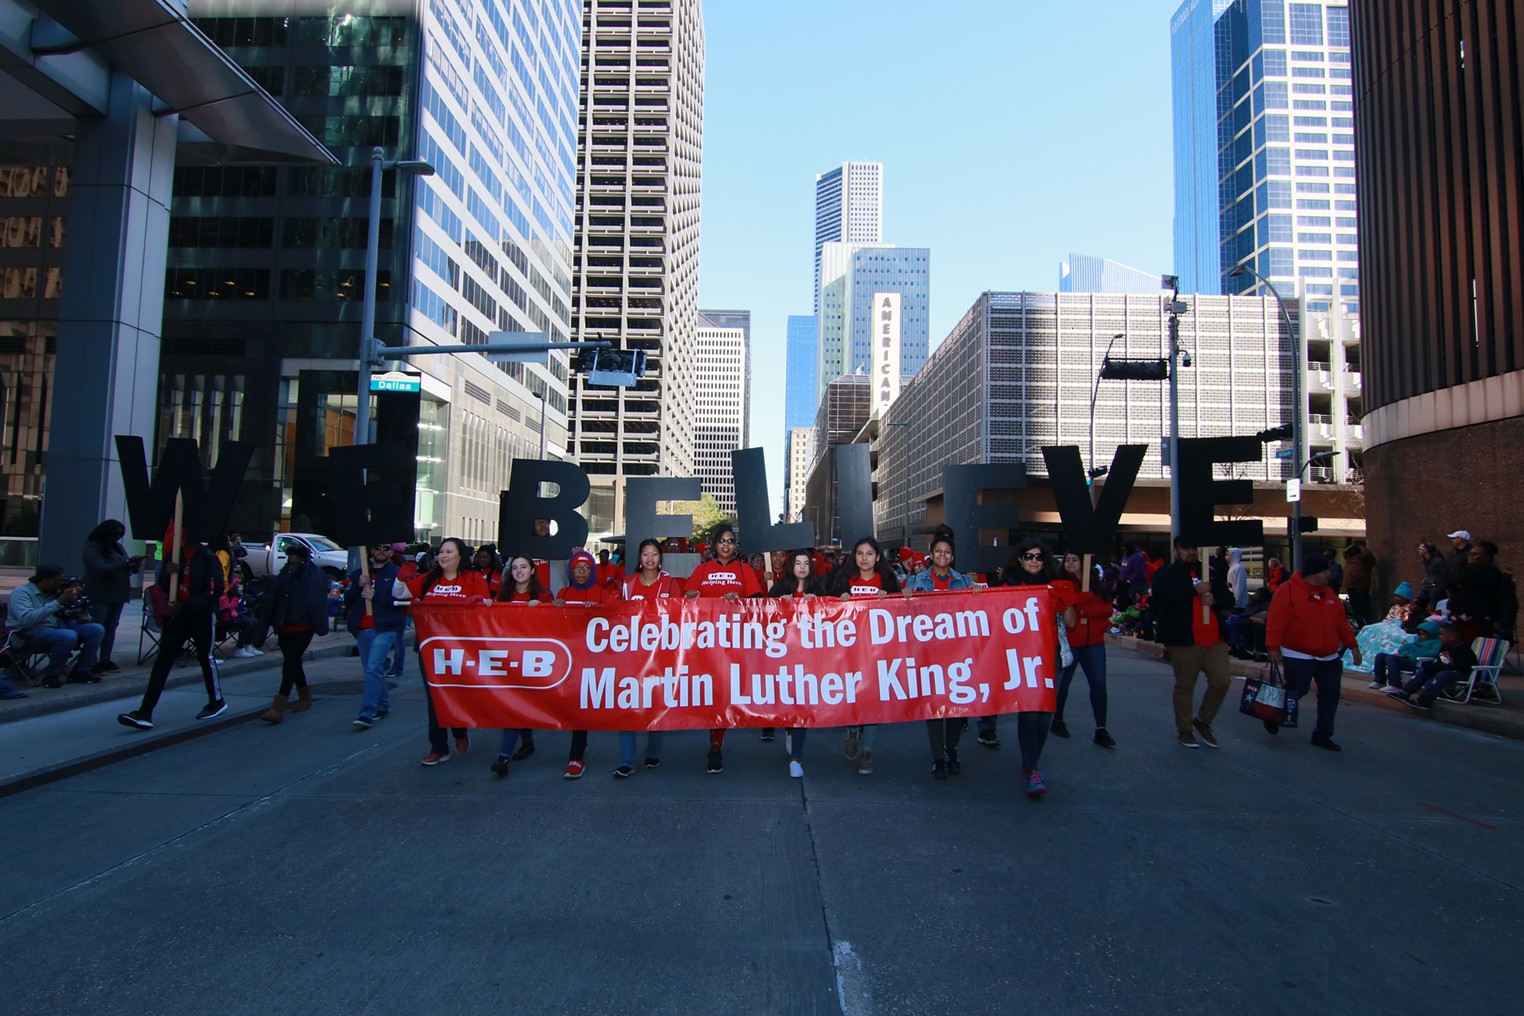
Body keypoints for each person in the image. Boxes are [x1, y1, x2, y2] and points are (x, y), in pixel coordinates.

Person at [393, 537, 491, 765]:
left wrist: (477, 602)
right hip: (430, 648)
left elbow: (487, 607)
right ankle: (438, 747)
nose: (444, 556)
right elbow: (400, 594)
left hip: (461, 649)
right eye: (442, 552)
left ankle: (459, 730)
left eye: (449, 551)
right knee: (434, 697)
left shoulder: (473, 578)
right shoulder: (430, 579)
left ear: (460, 556)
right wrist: (401, 576)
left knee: (457, 694)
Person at [117, 537, 225, 729]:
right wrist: (168, 574)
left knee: (205, 658)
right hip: (177, 616)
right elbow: (164, 586)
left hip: (200, 616)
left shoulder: (208, 558)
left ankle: (216, 701)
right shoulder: (173, 555)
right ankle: (145, 711)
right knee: (163, 661)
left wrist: (185, 605)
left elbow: (214, 591)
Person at [684, 523, 764, 773]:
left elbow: (757, 605)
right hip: (707, 642)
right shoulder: (702, 569)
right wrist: (694, 596)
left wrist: (737, 601)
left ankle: (718, 742)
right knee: (712, 690)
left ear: (735, 545)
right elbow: (687, 600)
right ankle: (714, 741)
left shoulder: (744, 569)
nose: (726, 545)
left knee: (727, 692)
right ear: (714, 544)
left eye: (730, 541)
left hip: (736, 642)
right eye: (721, 541)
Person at [996, 539, 1073, 796]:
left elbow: (1069, 617)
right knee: (1029, 713)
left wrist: (1067, 595)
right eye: (1028, 556)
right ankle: (1033, 767)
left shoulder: (1052, 585)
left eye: (1038, 557)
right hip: (1021, 658)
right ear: (1020, 559)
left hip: (1050, 656)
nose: (1033, 561)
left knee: (1044, 717)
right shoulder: (1008, 584)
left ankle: (1030, 762)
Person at [1265, 554, 1361, 750]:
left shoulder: (1329, 593)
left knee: (1330, 695)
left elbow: (1340, 623)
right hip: (1298, 653)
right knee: (1297, 690)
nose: (1329, 574)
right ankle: (1274, 715)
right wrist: (1273, 647)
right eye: (1325, 571)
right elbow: (1276, 621)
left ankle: (1322, 735)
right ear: (1313, 574)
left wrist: (1353, 646)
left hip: (1329, 656)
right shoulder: (1288, 590)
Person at [903, 535, 980, 779]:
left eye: (947, 552)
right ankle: (938, 757)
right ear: (931, 554)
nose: (943, 555)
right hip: (929, 654)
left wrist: (978, 593)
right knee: (934, 708)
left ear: (953, 556)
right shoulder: (917, 580)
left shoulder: (965, 581)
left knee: (956, 707)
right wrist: (905, 594)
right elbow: (902, 611)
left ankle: (951, 749)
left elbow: (979, 610)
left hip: (958, 655)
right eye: (938, 551)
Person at [611, 539, 684, 777]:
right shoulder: (627, 584)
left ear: (660, 558)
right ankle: (626, 761)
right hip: (631, 656)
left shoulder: (670, 583)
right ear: (639, 558)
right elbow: (616, 616)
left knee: (655, 703)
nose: (650, 558)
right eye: (645, 554)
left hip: (660, 656)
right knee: (627, 705)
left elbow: (678, 617)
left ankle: (653, 752)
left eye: (654, 554)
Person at [1152, 537, 1233, 750]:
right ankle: (1185, 729)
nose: (1191, 552)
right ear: (1176, 550)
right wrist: (1192, 592)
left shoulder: (1210, 573)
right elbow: (1161, 596)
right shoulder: (1167, 574)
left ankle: (1203, 720)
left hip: (1214, 640)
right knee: (1186, 686)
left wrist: (1214, 600)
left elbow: (1229, 600)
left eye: (1194, 548)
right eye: (1186, 548)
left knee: (1222, 681)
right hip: (1184, 641)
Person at [831, 536, 900, 776]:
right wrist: (839, 602)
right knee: (854, 694)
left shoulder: (888, 580)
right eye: (860, 553)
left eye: (869, 554)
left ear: (877, 557)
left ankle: (867, 750)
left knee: (873, 699)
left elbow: (901, 611)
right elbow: (828, 610)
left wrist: (890, 600)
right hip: (850, 650)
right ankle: (852, 730)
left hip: (878, 650)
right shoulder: (843, 579)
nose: (864, 558)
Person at [489, 554, 555, 776]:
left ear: (532, 571)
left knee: (517, 704)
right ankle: (519, 746)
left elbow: (555, 626)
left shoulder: (544, 595)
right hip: (508, 658)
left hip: (533, 660)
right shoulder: (503, 595)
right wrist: (489, 606)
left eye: (524, 567)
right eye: (515, 567)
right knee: (515, 705)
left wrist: (544, 607)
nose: (519, 571)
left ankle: (504, 755)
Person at [553, 549, 617, 778]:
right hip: (568, 660)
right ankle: (576, 752)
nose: (581, 572)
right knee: (574, 707)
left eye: (586, 568)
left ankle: (577, 755)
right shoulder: (563, 592)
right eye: (577, 568)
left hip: (592, 661)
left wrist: (602, 609)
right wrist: (556, 606)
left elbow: (615, 617)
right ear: (571, 570)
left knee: (584, 707)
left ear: (593, 571)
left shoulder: (600, 593)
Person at [259, 543, 330, 724]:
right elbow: (275, 598)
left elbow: (316, 603)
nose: (292, 565)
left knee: (289, 663)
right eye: (290, 562)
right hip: (285, 625)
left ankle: (278, 705)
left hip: (303, 626)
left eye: (295, 563)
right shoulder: (286, 575)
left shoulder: (312, 577)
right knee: (293, 662)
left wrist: (320, 625)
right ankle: (305, 696)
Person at [769, 549, 825, 777]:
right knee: (788, 702)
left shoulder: (818, 589)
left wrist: (820, 603)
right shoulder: (780, 588)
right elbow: (760, 613)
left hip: (809, 660)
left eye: (806, 563)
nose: (802, 567)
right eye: (798, 563)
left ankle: (796, 759)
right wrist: (777, 604)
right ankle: (789, 732)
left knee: (801, 705)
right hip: (782, 659)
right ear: (791, 566)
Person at [1054, 552, 1117, 749]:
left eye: (1074, 559)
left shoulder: (1096, 585)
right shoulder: (1062, 584)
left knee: (1099, 684)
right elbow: (1063, 608)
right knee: (1062, 684)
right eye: (1067, 560)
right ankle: (1057, 720)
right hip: (1071, 642)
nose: (1070, 563)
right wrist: (1083, 601)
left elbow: (1107, 610)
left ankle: (1101, 728)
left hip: (1094, 643)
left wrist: (1086, 606)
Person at [8, 564, 105, 687]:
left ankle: (81, 671)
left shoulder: (54, 592)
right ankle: (51, 675)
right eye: (58, 580)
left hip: (57, 627)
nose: (62, 583)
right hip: (28, 633)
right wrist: (57, 602)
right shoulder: (22, 593)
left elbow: (70, 610)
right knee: (68, 636)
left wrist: (85, 617)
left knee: (96, 629)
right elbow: (26, 620)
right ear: (46, 580)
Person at [344, 543, 405, 729]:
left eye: (386, 548)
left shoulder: (396, 574)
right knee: (372, 670)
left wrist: (375, 595)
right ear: (371, 551)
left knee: (372, 668)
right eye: (377, 547)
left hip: (384, 628)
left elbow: (400, 602)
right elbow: (348, 599)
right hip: (362, 628)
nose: (381, 551)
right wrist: (358, 586)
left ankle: (366, 712)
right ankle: (383, 705)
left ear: (391, 552)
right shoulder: (360, 573)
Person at [81, 519, 143, 674]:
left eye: (121, 535)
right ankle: (91, 660)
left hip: (118, 592)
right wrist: (126, 562)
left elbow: (125, 566)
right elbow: (99, 568)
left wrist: (133, 566)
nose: (118, 537)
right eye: (115, 534)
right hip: (100, 593)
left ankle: (105, 659)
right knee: (98, 626)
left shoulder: (118, 548)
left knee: (111, 627)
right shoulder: (93, 548)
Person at [1387, 622, 1478, 710]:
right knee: (1425, 670)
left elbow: (1460, 666)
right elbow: (1445, 662)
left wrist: (1438, 668)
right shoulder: (1445, 648)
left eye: (1442, 635)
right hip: (1451, 670)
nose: (1439, 637)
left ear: (1452, 637)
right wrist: (1432, 667)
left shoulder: (1464, 650)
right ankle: (1405, 692)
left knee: (1442, 675)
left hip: (1465, 673)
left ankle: (1424, 701)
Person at [1447, 540, 1505, 640]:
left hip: (1477, 619)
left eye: (1475, 554)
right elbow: (1447, 582)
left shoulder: (1490, 571)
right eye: (1469, 554)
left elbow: (1463, 580)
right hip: (1459, 618)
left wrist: (1460, 582)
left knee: (1473, 646)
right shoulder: (1465, 569)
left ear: (1487, 556)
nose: (1470, 556)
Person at [1368, 620, 1443, 691]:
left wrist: (1415, 650)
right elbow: (1402, 648)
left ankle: (1395, 684)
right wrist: (1408, 652)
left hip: (1417, 663)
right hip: (1407, 659)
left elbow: (1433, 653)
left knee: (1391, 658)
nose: (1421, 636)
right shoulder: (1419, 640)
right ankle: (1379, 680)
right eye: (1420, 634)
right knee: (1380, 656)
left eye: (1423, 634)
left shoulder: (1437, 643)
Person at [384, 542, 411, 678]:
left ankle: (396, 667)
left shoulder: (397, 573)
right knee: (396, 641)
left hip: (398, 610)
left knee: (397, 641)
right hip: (394, 610)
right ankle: (392, 665)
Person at [1342, 543, 1377, 622]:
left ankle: (1363, 626)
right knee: (1356, 611)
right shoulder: (1350, 559)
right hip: (1351, 587)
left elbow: (1369, 557)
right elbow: (1345, 553)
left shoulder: (1364, 558)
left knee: (1362, 611)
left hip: (1360, 587)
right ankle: (1360, 625)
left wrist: (1361, 547)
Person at [1416, 541, 1447, 611]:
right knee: (1419, 600)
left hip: (1436, 586)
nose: (1418, 550)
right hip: (1427, 586)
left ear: (1426, 550)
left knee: (1433, 600)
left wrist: (1439, 583)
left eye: (1420, 548)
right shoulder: (1423, 561)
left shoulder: (1438, 561)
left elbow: (1445, 574)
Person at [1226, 547, 1249, 611]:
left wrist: (1236, 602)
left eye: (1228, 555)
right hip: (1233, 602)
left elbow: (1239, 586)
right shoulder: (1232, 567)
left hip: (1239, 605)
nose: (1226, 557)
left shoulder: (1239, 568)